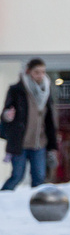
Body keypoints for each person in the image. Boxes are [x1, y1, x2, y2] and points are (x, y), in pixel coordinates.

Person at [2, 58, 57, 191]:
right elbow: (5, 113)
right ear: (29, 72)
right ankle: (2, 200)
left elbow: (49, 120)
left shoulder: (46, 91)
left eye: (43, 72)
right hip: (21, 143)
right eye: (37, 72)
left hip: (39, 143)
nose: (40, 75)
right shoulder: (17, 90)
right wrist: (7, 115)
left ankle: (36, 206)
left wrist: (52, 145)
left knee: (39, 177)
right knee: (17, 176)